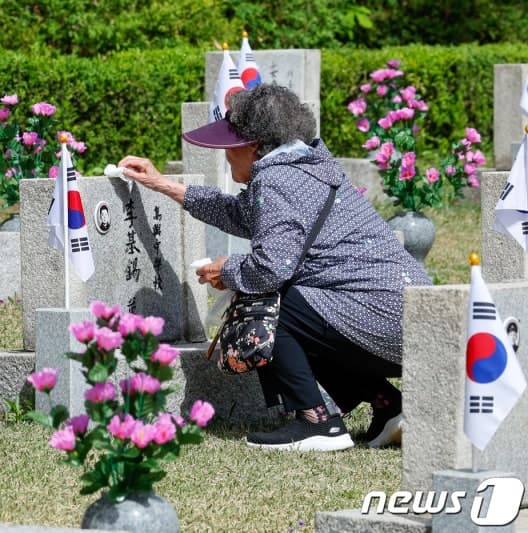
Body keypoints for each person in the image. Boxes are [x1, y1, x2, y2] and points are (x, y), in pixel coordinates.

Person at [118, 84, 432, 452]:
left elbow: (269, 270)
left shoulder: (277, 179)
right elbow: (240, 214)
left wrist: (227, 270)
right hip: (407, 321)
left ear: (254, 145)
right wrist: (162, 184)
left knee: (268, 304)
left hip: (381, 321)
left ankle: (317, 423)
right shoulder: (306, 166)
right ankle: (388, 406)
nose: (225, 155)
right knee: (309, 309)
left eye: (229, 145)